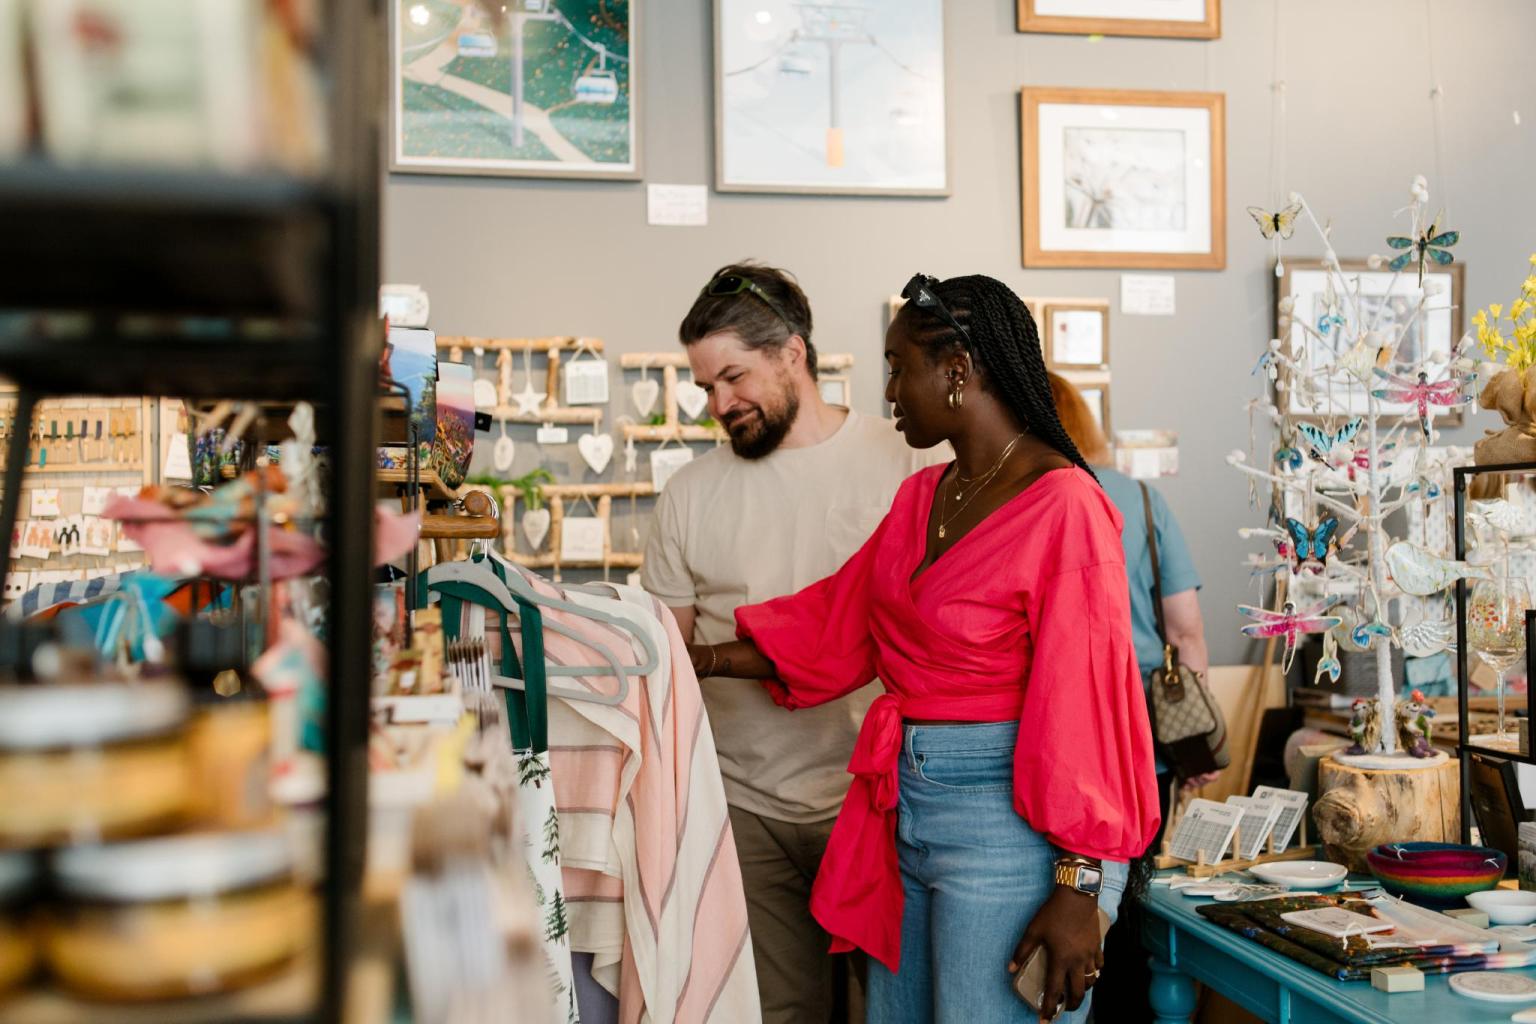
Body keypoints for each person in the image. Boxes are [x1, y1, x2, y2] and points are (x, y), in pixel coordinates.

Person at [685, 273, 1159, 1023]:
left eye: (899, 368)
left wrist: (1079, 887)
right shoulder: (922, 498)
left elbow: (1086, 705)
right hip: (903, 810)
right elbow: (833, 625)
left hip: (1007, 823)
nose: (892, 393)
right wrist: (697, 657)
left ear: (959, 371)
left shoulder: (1064, 505)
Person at [642, 262, 944, 1023]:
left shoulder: (907, 461)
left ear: (793, 355)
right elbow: (666, 665)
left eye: (734, 378)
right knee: (782, 1013)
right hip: (745, 806)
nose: (719, 404)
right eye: (706, 388)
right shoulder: (689, 495)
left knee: (891, 1009)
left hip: (883, 800)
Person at [1047, 371, 1216, 1023]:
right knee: (1135, 898)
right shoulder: (1143, 503)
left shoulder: (1030, 499)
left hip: (1058, 739)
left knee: (1063, 901)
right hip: (1145, 738)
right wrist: (1195, 739)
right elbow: (1186, 630)